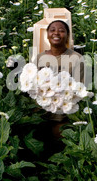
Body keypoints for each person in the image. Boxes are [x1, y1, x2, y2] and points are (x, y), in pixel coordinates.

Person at [35, 20, 84, 158]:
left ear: (67, 35)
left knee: (59, 134)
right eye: (52, 30)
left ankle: (61, 160)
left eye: (61, 30)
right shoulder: (40, 57)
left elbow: (79, 88)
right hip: (42, 106)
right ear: (47, 35)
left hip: (64, 108)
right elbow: (34, 85)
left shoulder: (76, 58)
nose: (56, 33)